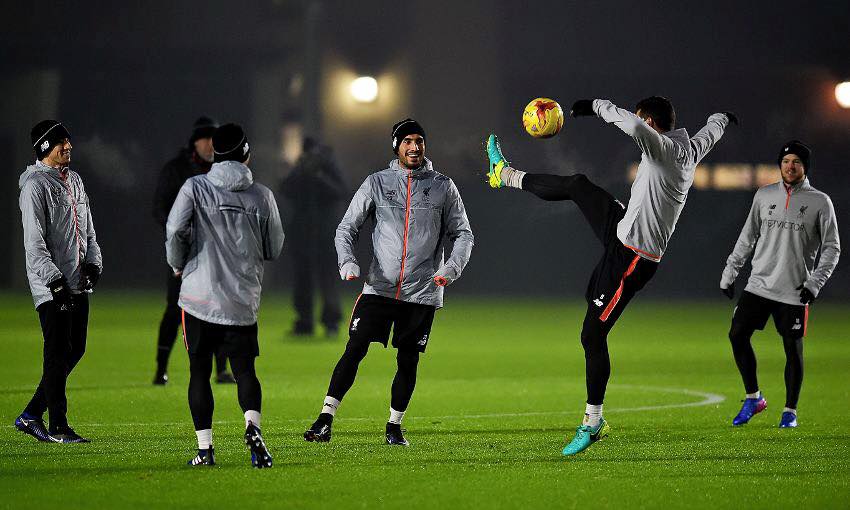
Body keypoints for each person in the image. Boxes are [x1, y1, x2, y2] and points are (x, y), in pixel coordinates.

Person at [484, 97, 735, 455]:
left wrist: (596, 105)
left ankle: (593, 421)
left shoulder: (663, 149)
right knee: (578, 185)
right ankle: (504, 174)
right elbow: (711, 132)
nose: (638, 123)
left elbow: (632, 126)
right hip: (622, 229)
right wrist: (721, 116)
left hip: (632, 258)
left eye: (642, 119)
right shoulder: (690, 148)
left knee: (592, 334)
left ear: (650, 123)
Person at [303, 118, 474, 446]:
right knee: (354, 348)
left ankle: (394, 427)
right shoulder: (377, 183)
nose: (414, 146)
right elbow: (346, 228)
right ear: (396, 146)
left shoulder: (443, 186)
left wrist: (451, 269)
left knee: (408, 359)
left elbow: (463, 234)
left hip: (422, 291)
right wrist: (347, 261)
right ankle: (325, 419)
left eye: (419, 140)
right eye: (407, 141)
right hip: (379, 287)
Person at [166, 123, 284, 467]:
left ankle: (205, 450)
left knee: (199, 373)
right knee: (245, 371)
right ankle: (252, 426)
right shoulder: (262, 195)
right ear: (246, 154)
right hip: (241, 299)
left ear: (215, 154)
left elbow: (175, 230)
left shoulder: (195, 187)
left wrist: (178, 263)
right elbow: (274, 247)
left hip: (199, 298)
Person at [720, 140, 840, 428]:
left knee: (792, 349)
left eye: (796, 162)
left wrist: (815, 283)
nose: (790, 166)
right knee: (737, 334)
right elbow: (747, 236)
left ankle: (790, 411)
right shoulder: (764, 195)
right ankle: (754, 398)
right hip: (759, 283)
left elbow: (832, 247)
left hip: (794, 289)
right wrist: (730, 271)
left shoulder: (820, 201)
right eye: (786, 161)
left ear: (805, 167)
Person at [15, 120, 103, 443]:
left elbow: (88, 230)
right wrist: (54, 282)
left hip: (77, 282)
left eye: (67, 140)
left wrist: (93, 263)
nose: (68, 146)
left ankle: (30, 415)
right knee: (56, 352)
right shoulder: (34, 187)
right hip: (52, 287)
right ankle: (58, 426)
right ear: (44, 148)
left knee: (75, 349)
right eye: (60, 142)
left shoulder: (74, 180)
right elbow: (34, 244)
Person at [152, 116, 235, 385]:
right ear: (195, 142)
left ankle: (221, 369)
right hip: (184, 253)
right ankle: (161, 369)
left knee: (220, 307)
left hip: (217, 253)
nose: (211, 144)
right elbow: (160, 208)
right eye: (206, 139)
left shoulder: (223, 171)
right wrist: (181, 234)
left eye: (214, 140)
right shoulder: (176, 169)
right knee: (175, 309)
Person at [280, 137, 347, 336]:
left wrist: (319, 176)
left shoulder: (330, 166)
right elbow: (285, 189)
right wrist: (301, 172)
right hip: (303, 231)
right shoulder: (301, 168)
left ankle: (331, 322)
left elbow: (342, 191)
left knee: (327, 277)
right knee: (304, 278)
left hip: (326, 231)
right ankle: (305, 321)